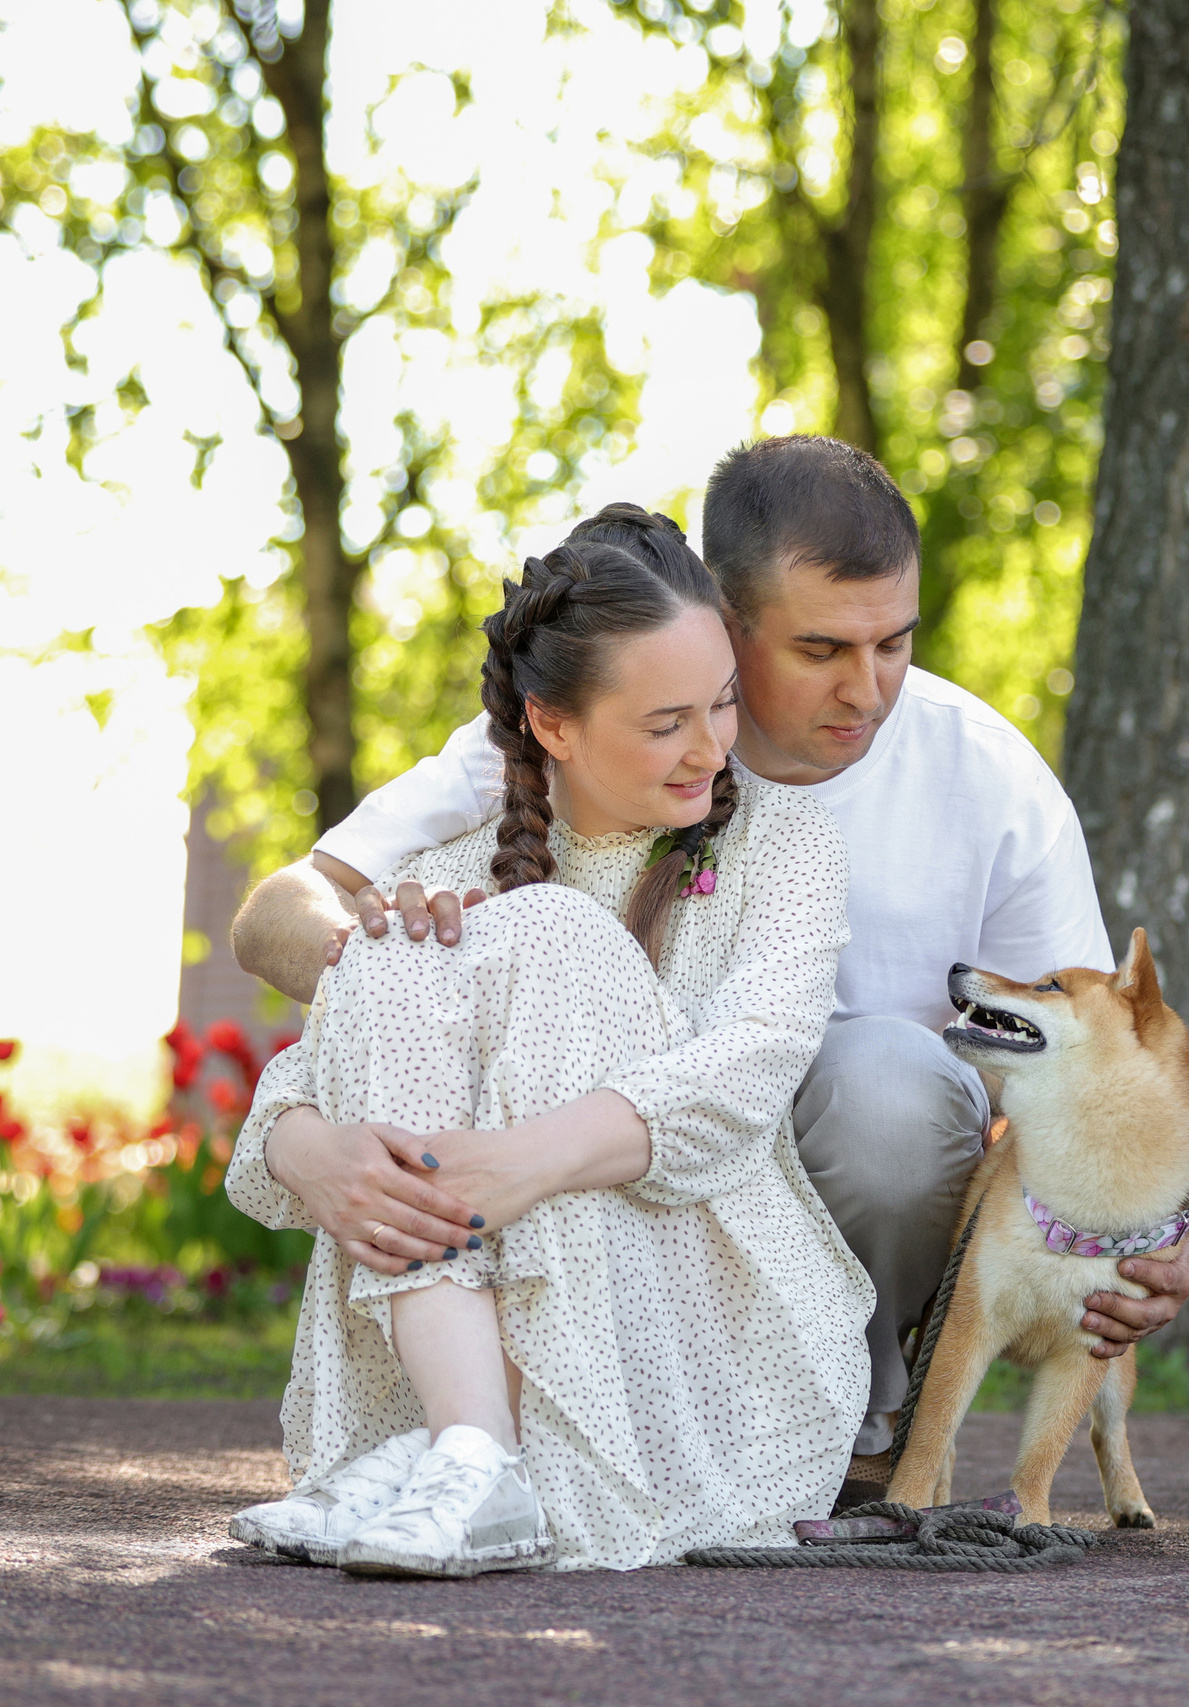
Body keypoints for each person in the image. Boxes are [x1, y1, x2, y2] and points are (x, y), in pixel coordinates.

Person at [232, 435, 1189, 1488]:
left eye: (894, 644)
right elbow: (281, 908)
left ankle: (860, 1433)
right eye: (821, 650)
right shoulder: (588, 727)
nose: (867, 691)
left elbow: (1095, 1049)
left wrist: (1155, 1222)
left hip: (820, 1148)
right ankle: (501, 1435)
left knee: (887, 1084)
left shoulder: (982, 776)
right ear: (724, 628)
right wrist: (391, 974)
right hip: (596, 1149)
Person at [223, 506, 871, 1575]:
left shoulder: (786, 846)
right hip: (473, 1281)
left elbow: (749, 1067)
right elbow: (311, 1064)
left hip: (717, 1338)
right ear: (552, 725)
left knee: (541, 929)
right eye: (665, 723)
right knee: (386, 946)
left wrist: (525, 1160)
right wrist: (306, 1148)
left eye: (720, 703)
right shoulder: (463, 858)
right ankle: (467, 1447)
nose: (711, 747)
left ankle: (467, 1451)